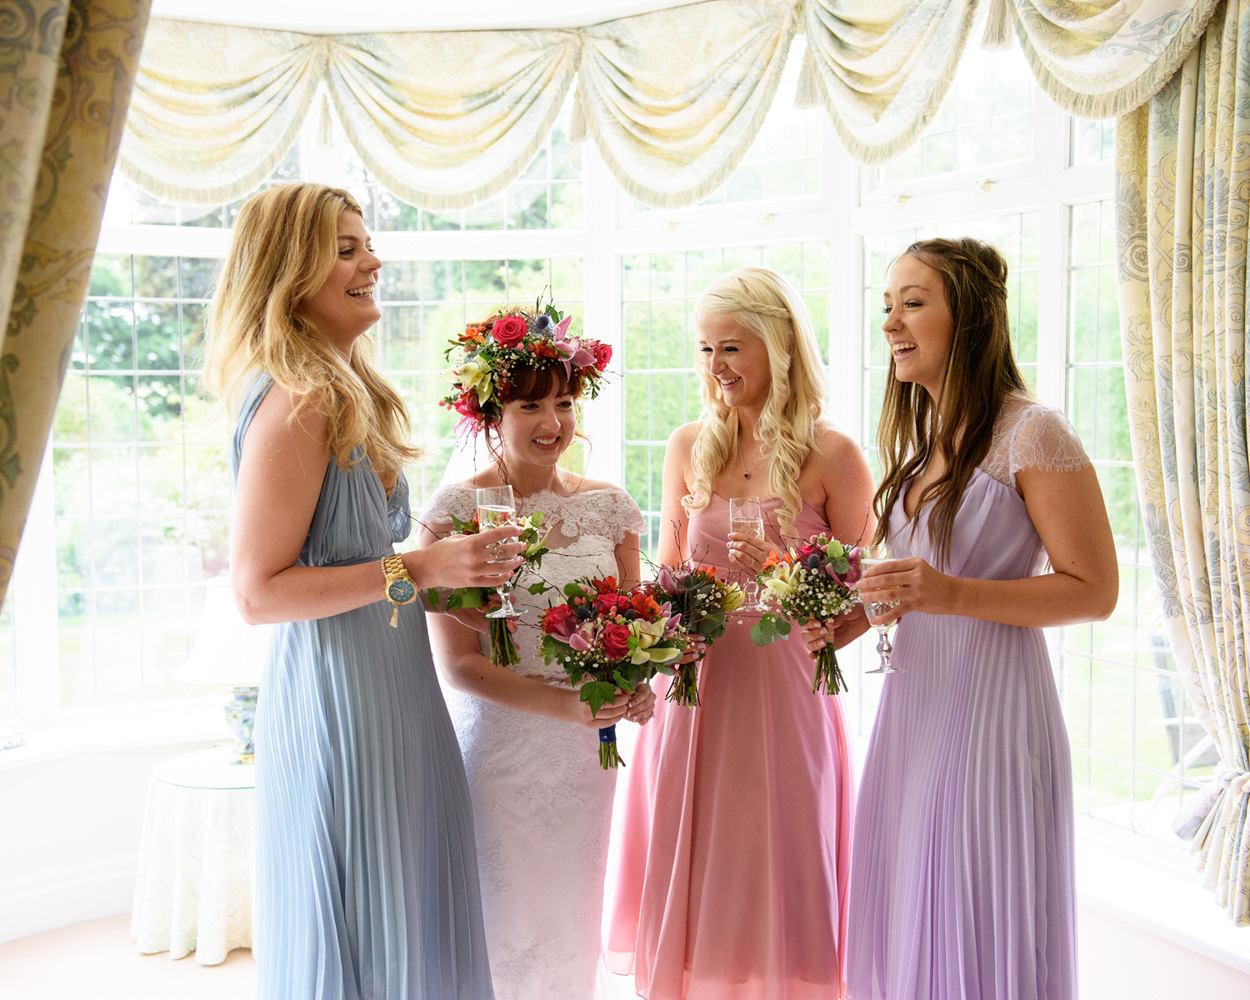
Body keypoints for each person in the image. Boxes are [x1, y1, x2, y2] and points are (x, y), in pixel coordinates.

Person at [204, 182, 522, 1000]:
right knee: (372, 917)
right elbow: (257, 593)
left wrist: (452, 577)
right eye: (346, 249)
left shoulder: (347, 390)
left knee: (413, 898)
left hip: (394, 682)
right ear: (289, 270)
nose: (371, 261)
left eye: (365, 243)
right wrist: (419, 569)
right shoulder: (298, 399)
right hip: (340, 698)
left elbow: (367, 567)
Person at [839, 237, 1118, 999]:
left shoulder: (1033, 432)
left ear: (970, 318)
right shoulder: (922, 437)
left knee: (968, 904)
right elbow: (907, 581)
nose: (891, 322)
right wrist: (847, 619)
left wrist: (951, 593)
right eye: (887, 304)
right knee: (913, 908)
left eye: (914, 302)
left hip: (992, 716)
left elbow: (1094, 590)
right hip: (914, 710)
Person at [604, 266, 875, 999]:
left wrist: (784, 570)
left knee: (775, 845)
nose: (715, 368)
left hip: (784, 683)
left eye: (731, 348)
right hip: (695, 680)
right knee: (698, 856)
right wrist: (655, 626)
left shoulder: (836, 455)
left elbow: (865, 592)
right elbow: (664, 570)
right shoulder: (689, 444)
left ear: (778, 347)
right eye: (703, 350)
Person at [418, 304, 655, 1000]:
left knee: (571, 914)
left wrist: (637, 688)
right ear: (491, 412)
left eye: (564, 402)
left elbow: (635, 630)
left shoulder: (611, 507)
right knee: (506, 921)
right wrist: (566, 704)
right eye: (530, 406)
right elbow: (460, 665)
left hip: (589, 759)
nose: (554, 423)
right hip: (504, 752)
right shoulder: (456, 512)